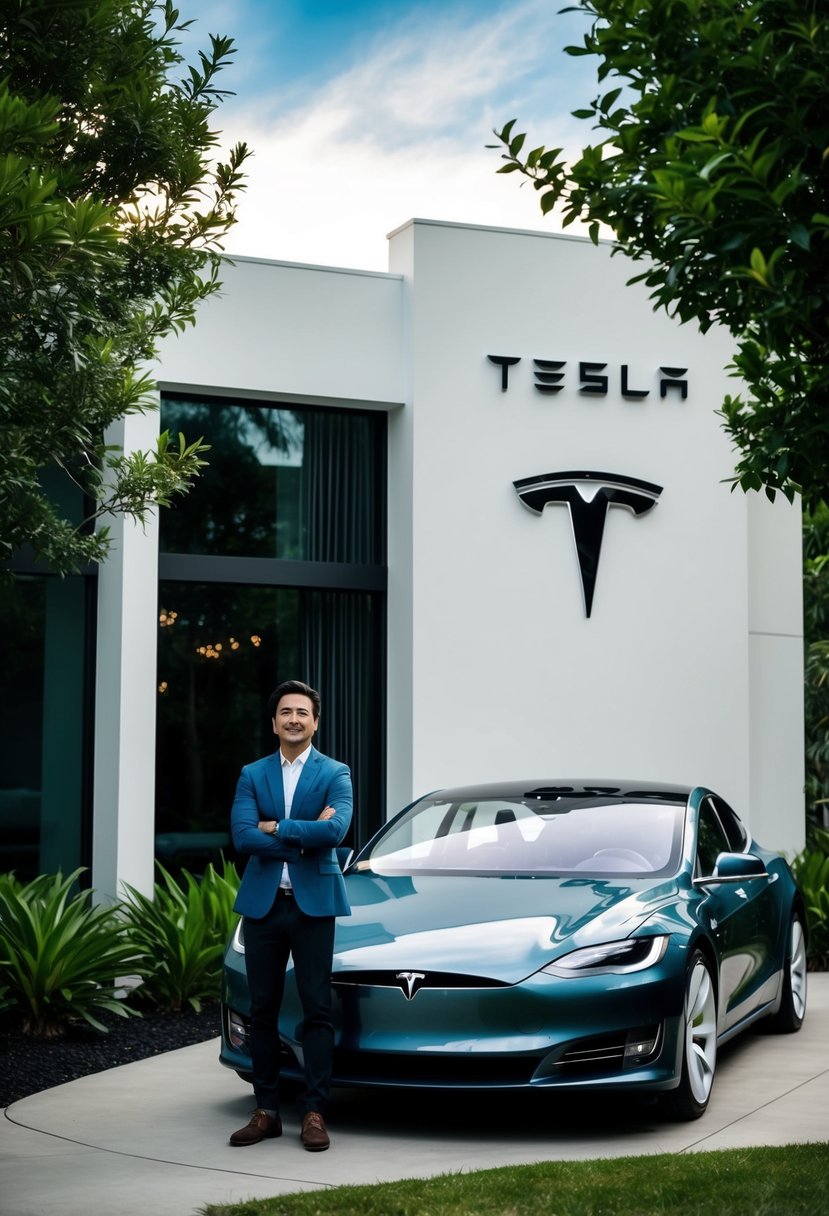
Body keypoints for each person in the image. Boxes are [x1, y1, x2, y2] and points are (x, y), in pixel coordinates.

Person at [228, 679, 352, 1152]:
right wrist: (306, 833)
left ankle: (315, 1112)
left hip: (313, 906)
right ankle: (266, 1110)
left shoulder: (335, 772)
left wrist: (276, 827)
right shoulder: (252, 774)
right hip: (263, 906)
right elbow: (243, 837)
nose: (294, 719)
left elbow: (337, 830)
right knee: (261, 1011)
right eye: (286, 712)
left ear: (315, 721)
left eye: (302, 712)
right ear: (275, 721)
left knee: (317, 1009)